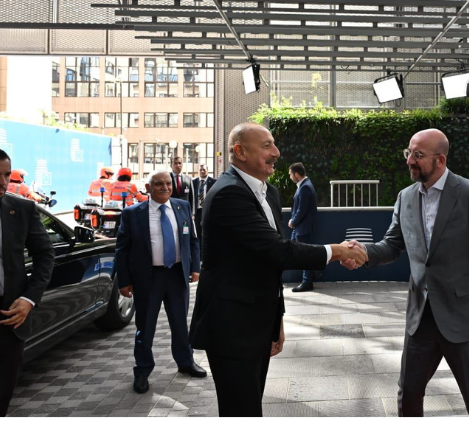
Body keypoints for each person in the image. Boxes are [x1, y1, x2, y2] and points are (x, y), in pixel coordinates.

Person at [188, 122, 367, 417]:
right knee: (240, 412)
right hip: (231, 327)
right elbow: (278, 250)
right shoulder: (228, 193)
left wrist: (276, 321)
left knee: (251, 405)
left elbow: (269, 263)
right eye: (267, 146)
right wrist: (336, 252)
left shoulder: (269, 192)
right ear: (240, 151)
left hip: (258, 322)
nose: (277, 152)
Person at [341, 129, 469, 417]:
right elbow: (392, 244)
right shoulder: (406, 197)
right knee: (408, 392)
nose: (410, 160)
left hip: (465, 320)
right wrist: (363, 253)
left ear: (440, 160)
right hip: (421, 319)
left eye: (418, 155)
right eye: (409, 153)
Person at [0, 146, 54, 416]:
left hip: (7, 319)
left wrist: (29, 298)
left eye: (7, 174)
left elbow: (45, 255)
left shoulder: (21, 209)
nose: (3, 182)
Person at [115, 170, 205, 395]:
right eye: (158, 184)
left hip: (176, 275)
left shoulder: (182, 207)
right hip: (148, 278)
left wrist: (195, 267)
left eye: (168, 183)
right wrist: (124, 281)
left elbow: (193, 240)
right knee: (145, 326)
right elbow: (122, 249)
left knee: (180, 323)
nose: (165, 187)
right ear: (148, 187)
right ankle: (142, 371)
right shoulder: (133, 213)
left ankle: (185, 362)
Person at [288, 162, 319, 293]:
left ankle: (307, 281)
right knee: (298, 252)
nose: (290, 177)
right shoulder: (304, 185)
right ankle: (312, 274)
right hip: (300, 228)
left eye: (290, 174)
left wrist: (293, 221)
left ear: (296, 174)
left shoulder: (305, 187)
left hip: (302, 228)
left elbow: (302, 209)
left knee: (304, 254)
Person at [192, 164, 215, 244]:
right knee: (198, 232)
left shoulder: (213, 182)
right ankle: (199, 249)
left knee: (208, 231)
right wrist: (192, 212)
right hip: (197, 212)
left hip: (208, 211)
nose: (202, 171)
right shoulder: (193, 182)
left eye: (204, 170)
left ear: (207, 171)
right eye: (200, 170)